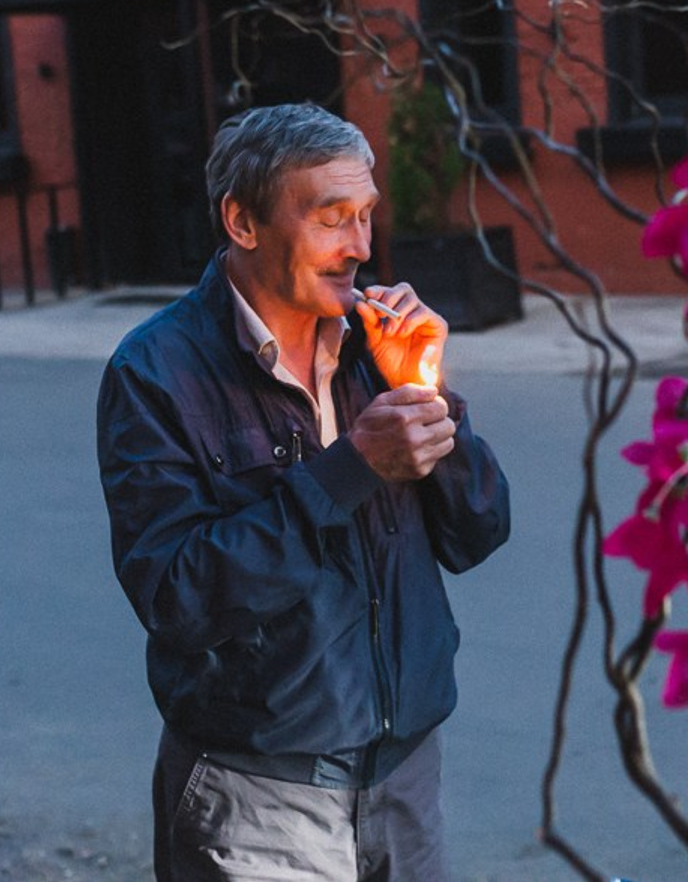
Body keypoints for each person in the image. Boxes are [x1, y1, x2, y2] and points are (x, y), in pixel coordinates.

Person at [96, 102, 510, 881]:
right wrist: (351, 467)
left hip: (406, 780)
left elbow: (480, 530)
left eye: (365, 217)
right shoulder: (155, 373)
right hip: (257, 800)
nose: (360, 247)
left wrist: (424, 391)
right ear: (243, 221)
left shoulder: (375, 349)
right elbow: (178, 596)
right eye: (330, 219)